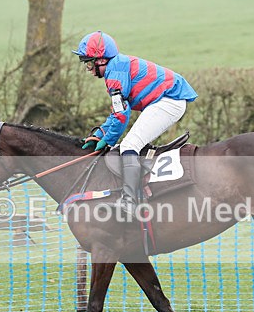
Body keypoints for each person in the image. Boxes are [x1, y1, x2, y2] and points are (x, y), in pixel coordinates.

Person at [73, 31, 198, 215]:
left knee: (129, 145)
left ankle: (130, 202)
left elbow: (122, 115)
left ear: (101, 60)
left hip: (168, 101)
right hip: (164, 100)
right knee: (128, 144)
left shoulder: (114, 74)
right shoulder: (116, 67)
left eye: (89, 63)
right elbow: (117, 112)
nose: (88, 69)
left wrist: (108, 140)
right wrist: (100, 133)